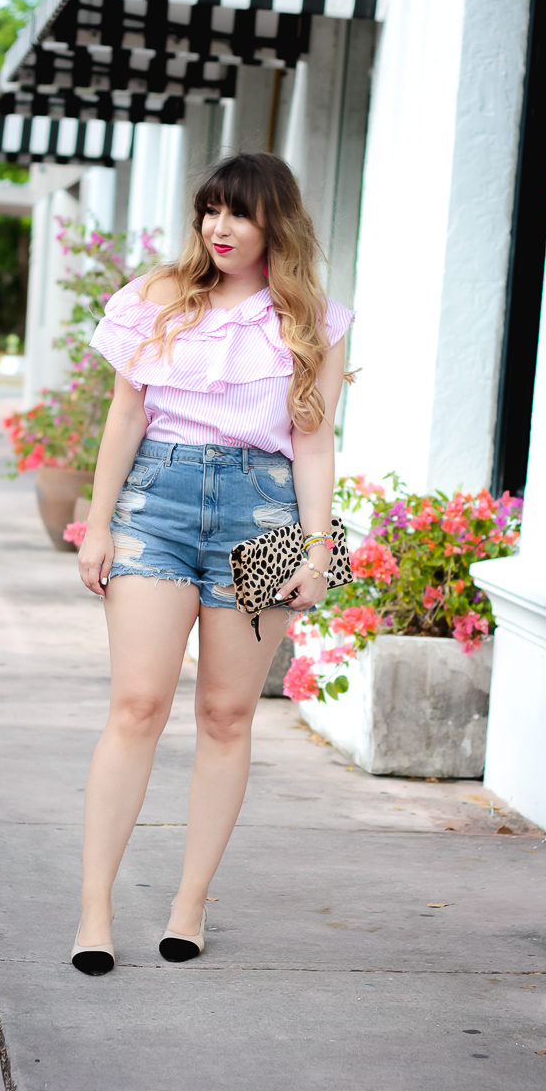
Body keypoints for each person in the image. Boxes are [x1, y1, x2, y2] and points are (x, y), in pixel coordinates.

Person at [72, 152, 355, 976]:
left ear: (276, 222)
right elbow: (126, 415)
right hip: (155, 503)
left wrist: (317, 548)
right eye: (210, 211)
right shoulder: (160, 297)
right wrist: (97, 528)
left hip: (262, 516)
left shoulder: (315, 322)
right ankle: (95, 909)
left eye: (238, 213)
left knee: (229, 714)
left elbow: (313, 441)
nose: (220, 228)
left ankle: (189, 903)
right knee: (137, 704)